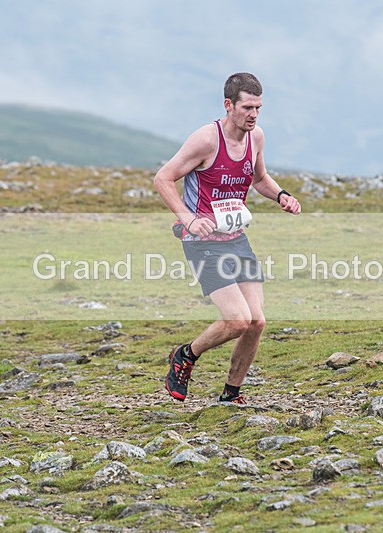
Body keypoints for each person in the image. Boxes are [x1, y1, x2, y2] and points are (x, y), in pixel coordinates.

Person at [154, 72, 301, 404]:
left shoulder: (256, 137)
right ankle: (186, 355)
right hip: (203, 243)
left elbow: (260, 178)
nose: (253, 115)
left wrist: (282, 197)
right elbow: (163, 178)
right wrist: (188, 218)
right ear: (228, 105)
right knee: (237, 319)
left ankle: (231, 393)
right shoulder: (206, 140)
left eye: (258, 108)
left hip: (236, 238)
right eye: (247, 107)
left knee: (257, 322)